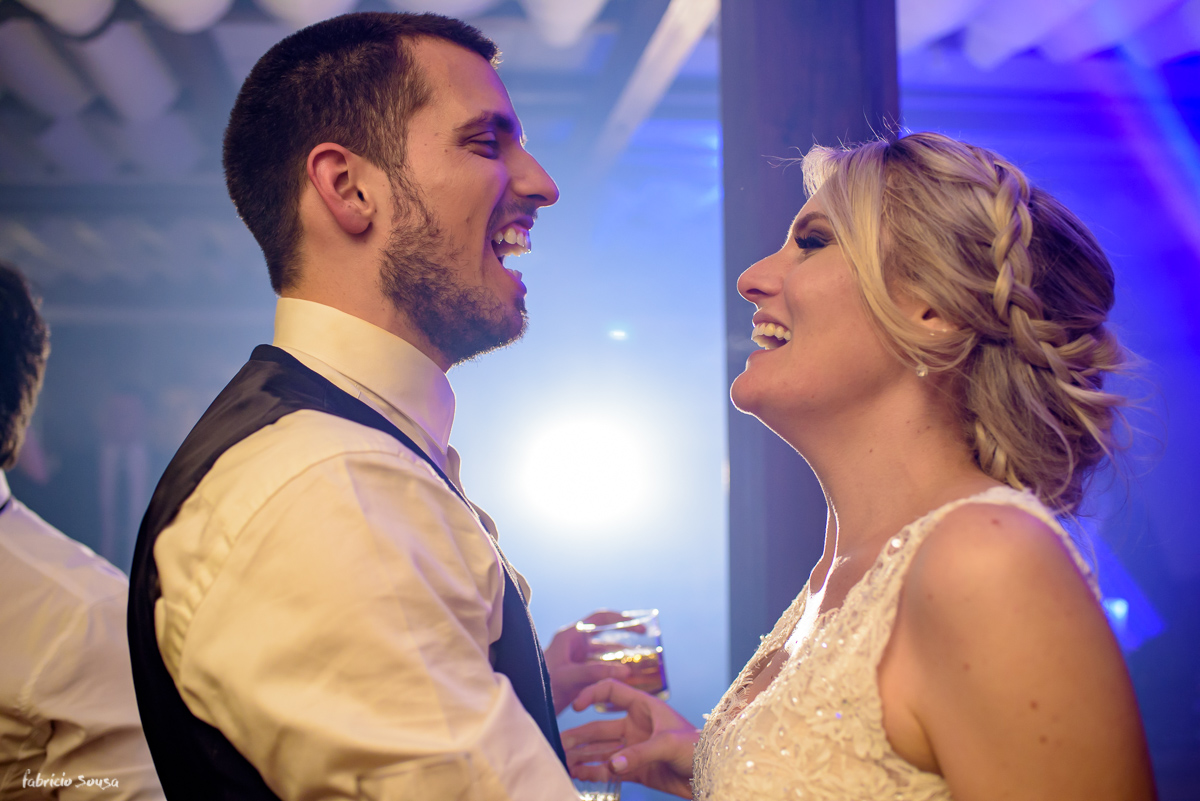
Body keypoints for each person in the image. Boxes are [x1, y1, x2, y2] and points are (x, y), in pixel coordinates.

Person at [562, 132, 1158, 800]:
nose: (751, 277)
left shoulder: (987, 562)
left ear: (930, 307)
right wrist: (716, 769)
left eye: (812, 242)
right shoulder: (837, 577)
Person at [126, 12, 623, 801]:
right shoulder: (329, 487)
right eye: (486, 143)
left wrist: (518, 689)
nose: (541, 183)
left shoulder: (350, 450)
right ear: (348, 188)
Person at [0, 261, 164, 800]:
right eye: (111, 413)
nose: (118, 422)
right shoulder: (78, 465)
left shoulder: (83, 617)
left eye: (127, 414)